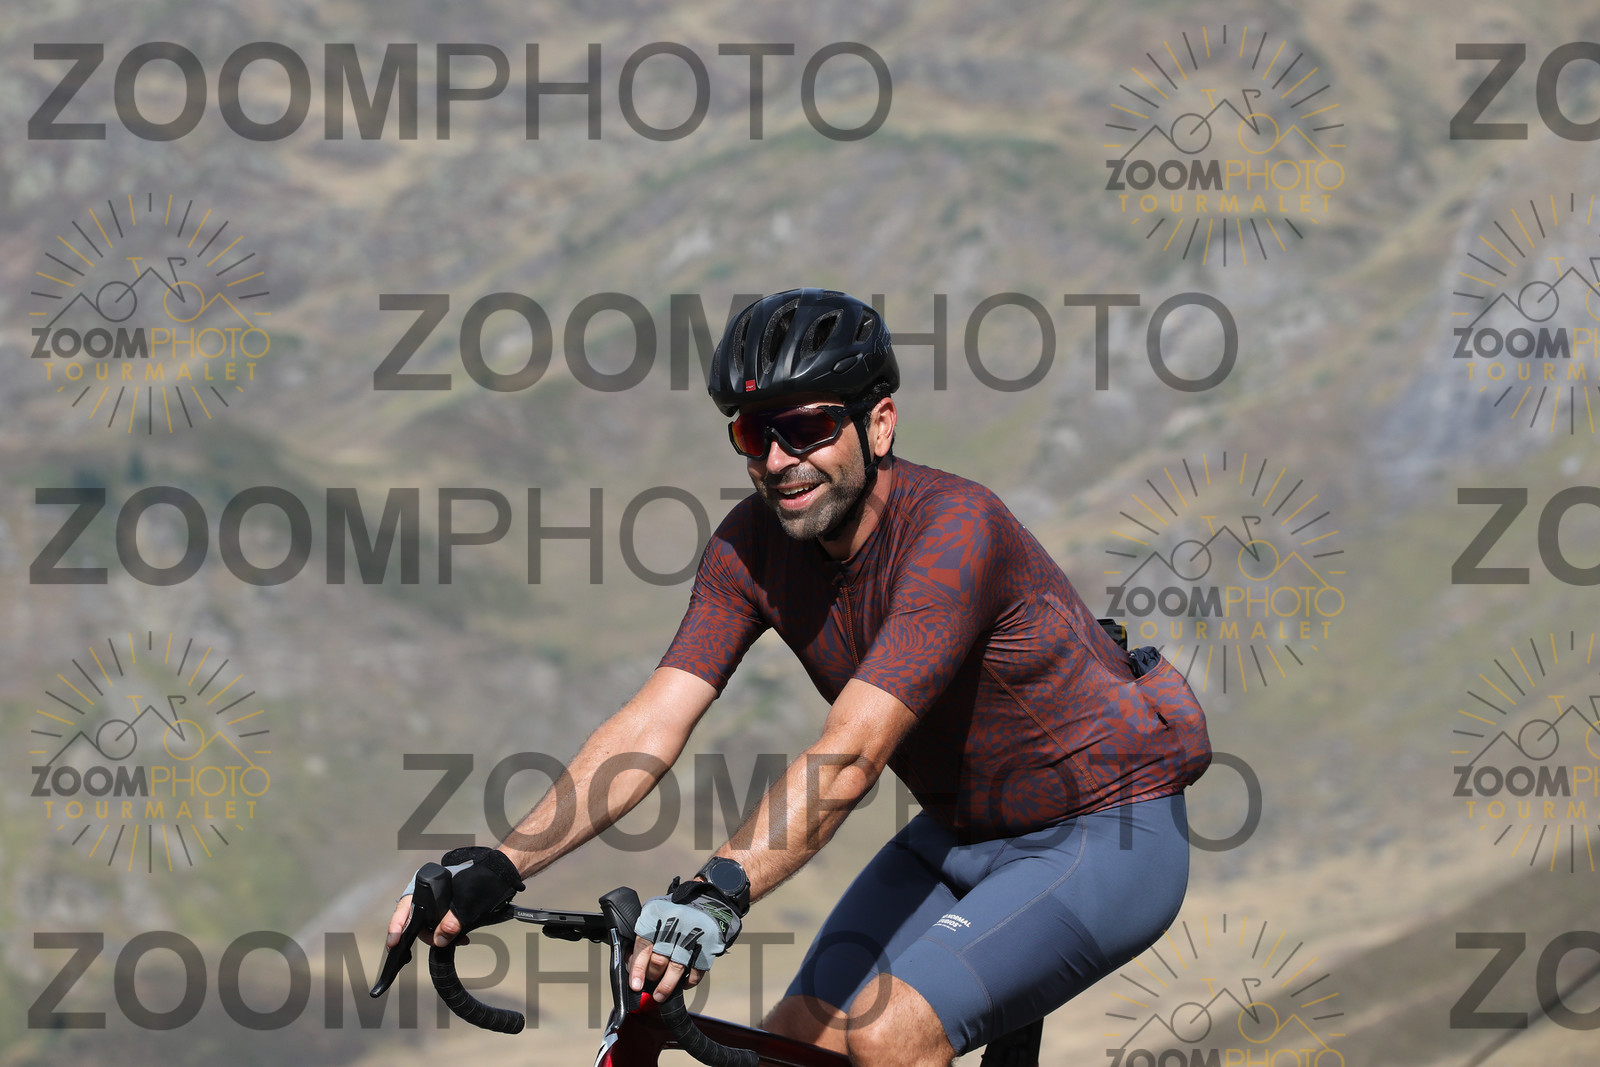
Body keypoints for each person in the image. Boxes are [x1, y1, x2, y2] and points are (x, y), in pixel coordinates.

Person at [388, 288, 1211, 1066]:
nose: (781, 459)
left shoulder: (956, 532)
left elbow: (851, 755)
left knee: (888, 1035)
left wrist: (717, 890)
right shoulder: (748, 547)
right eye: (755, 435)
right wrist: (503, 864)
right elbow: (652, 723)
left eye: (809, 427)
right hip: (958, 836)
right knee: (788, 1046)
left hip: (1103, 830)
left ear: (878, 424)